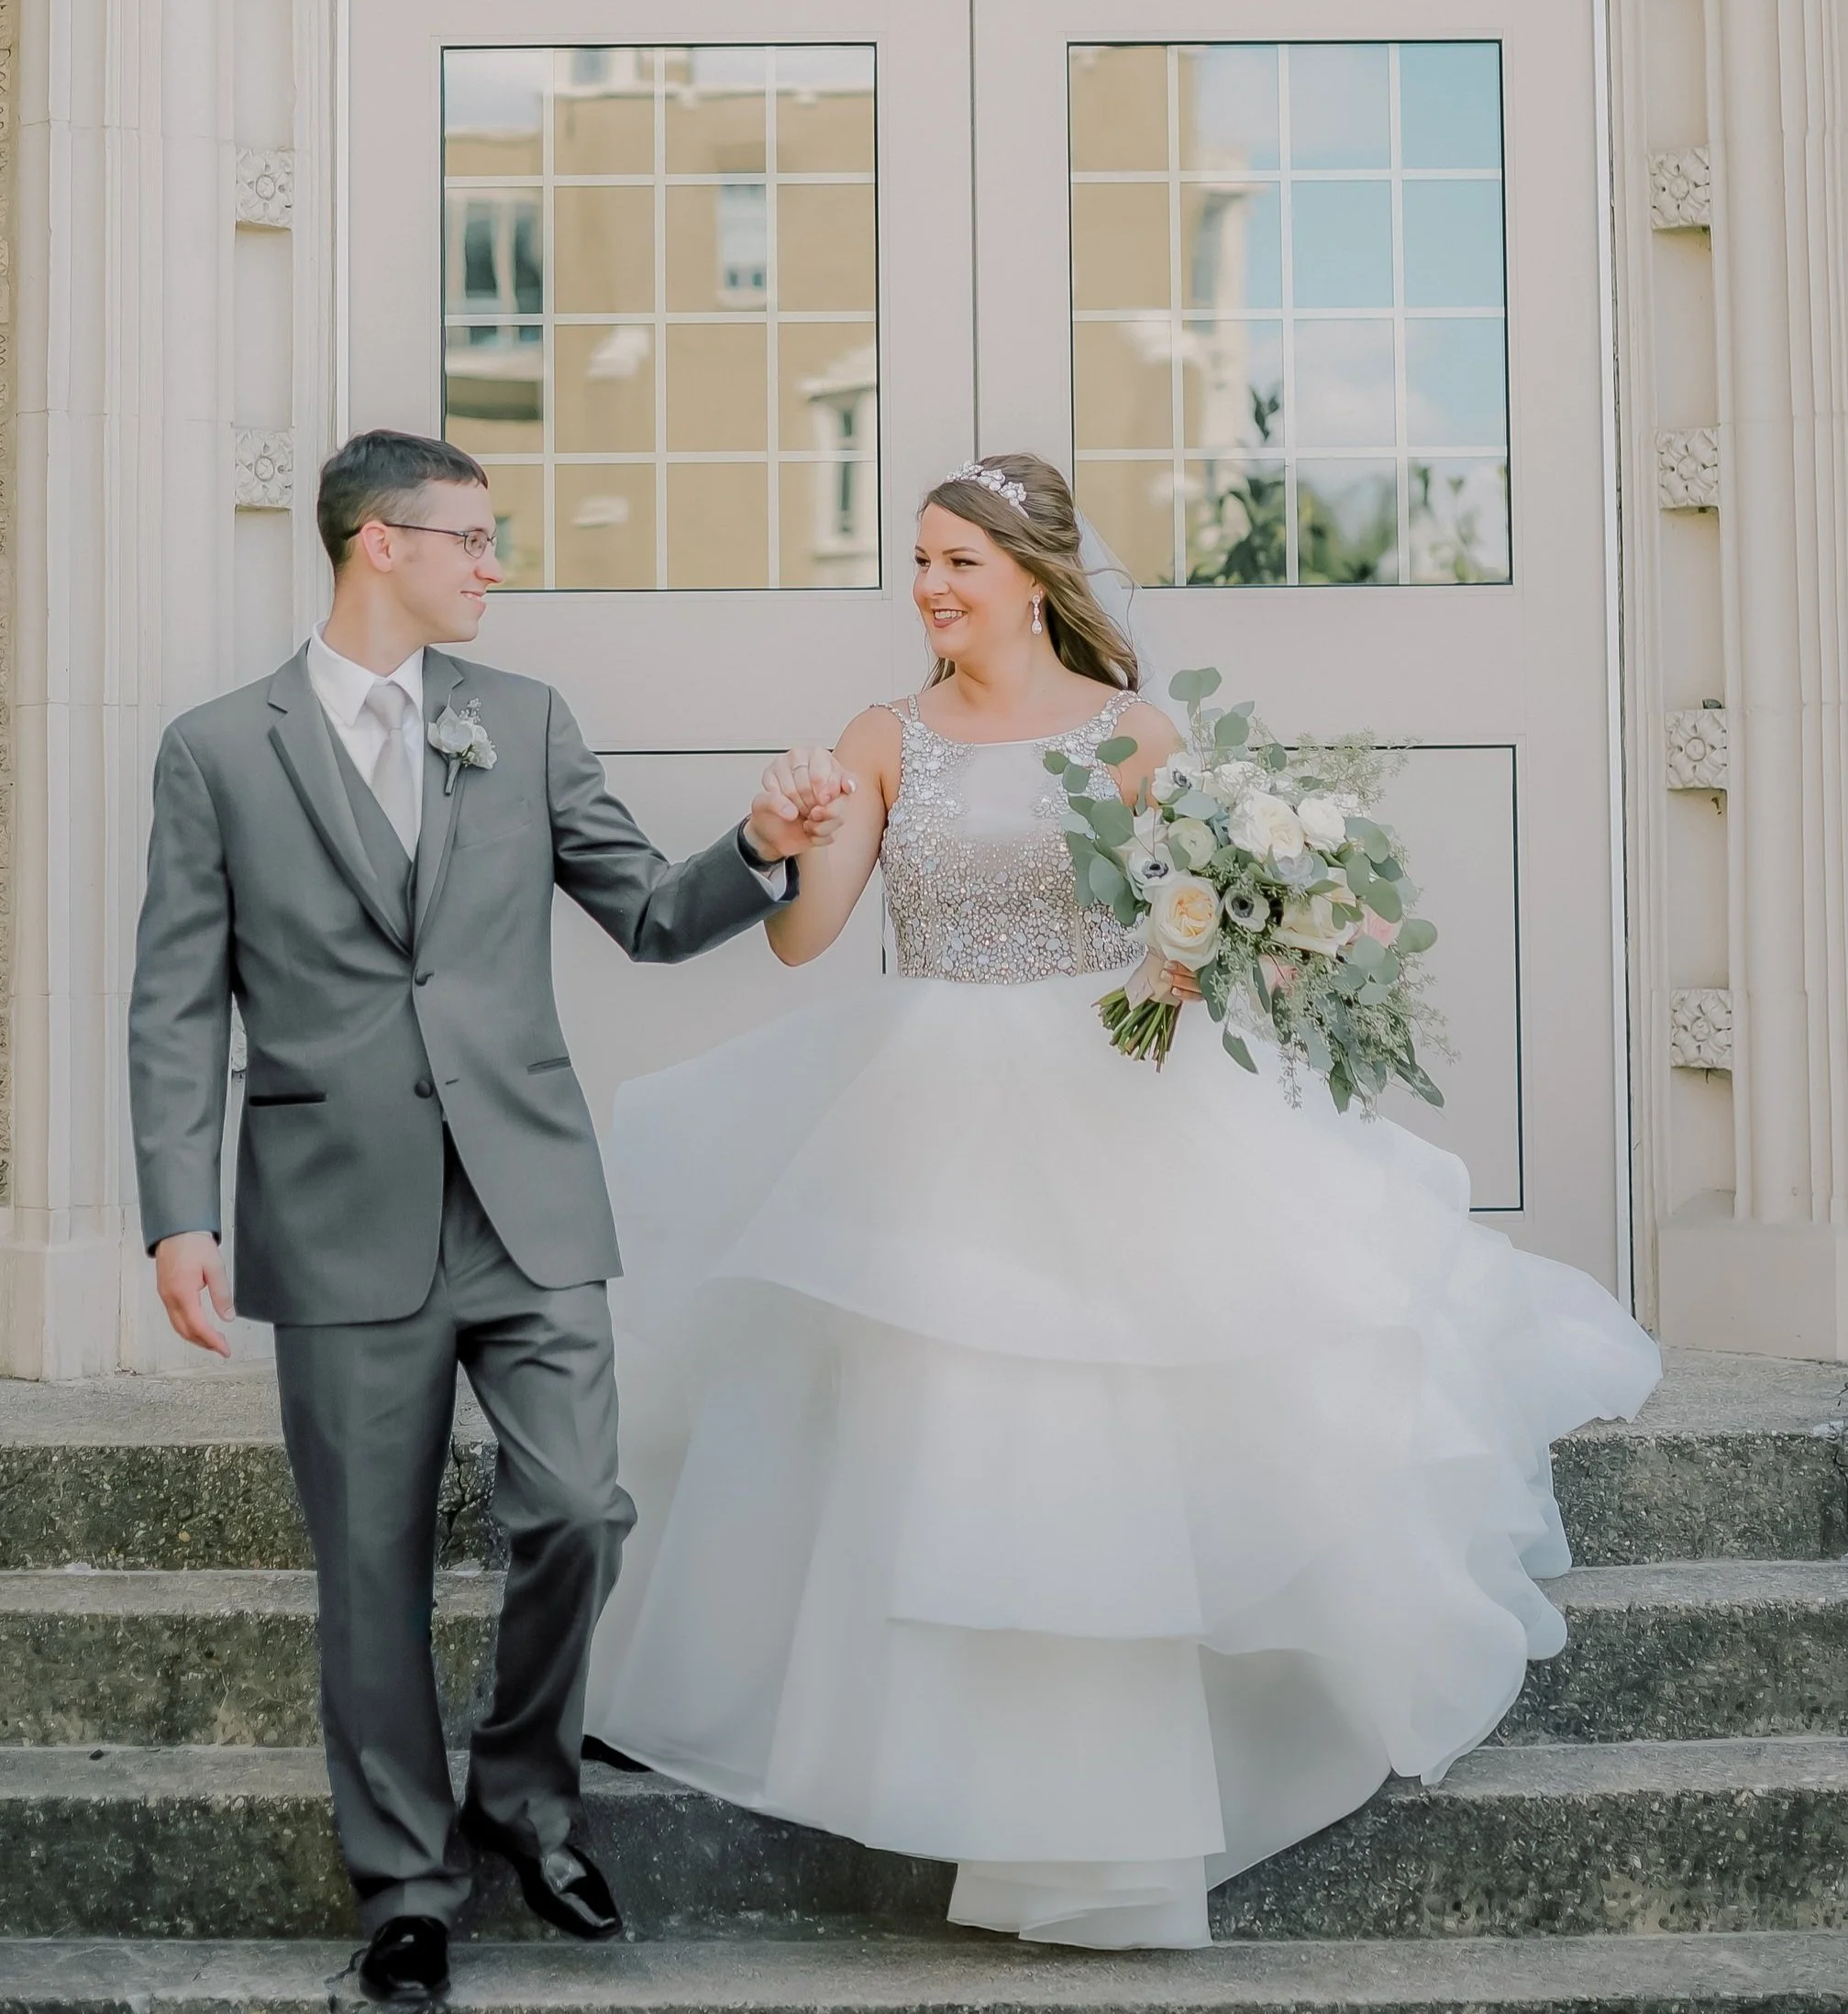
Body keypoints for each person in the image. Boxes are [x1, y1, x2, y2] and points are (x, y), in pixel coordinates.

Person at [592, 451, 1660, 1951]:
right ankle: (986, 1786)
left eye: (958, 560)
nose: (931, 587)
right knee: (956, 1431)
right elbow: (810, 943)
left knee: (1109, 1431)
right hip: (926, 1110)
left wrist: (1198, 950)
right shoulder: (881, 734)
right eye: (917, 561)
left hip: (1115, 1099)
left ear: (1033, 576)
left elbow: (1222, 905)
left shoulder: (1137, 733)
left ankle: (1110, 1817)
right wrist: (791, 832)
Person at [127, 428, 825, 2007]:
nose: (494, 564)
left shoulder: (522, 723)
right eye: (474, 538)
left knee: (580, 1506)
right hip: (337, 1210)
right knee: (367, 1568)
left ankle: (525, 1799)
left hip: (527, 1203)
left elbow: (648, 912)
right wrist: (179, 1214)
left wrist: (763, 851)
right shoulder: (217, 751)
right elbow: (175, 1002)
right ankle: (404, 1891)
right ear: (380, 542)